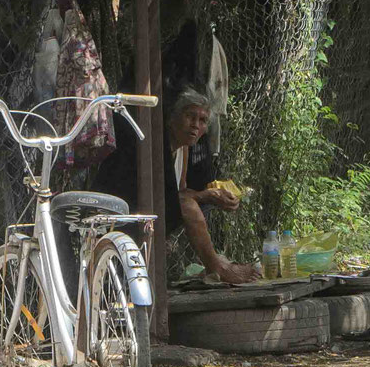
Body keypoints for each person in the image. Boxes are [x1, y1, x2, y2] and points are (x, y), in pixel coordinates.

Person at [93, 88, 260, 284]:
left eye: (203, 120)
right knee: (188, 205)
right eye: (190, 116)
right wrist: (205, 196)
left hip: (154, 211)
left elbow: (179, 192)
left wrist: (211, 195)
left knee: (188, 203)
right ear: (172, 119)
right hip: (124, 213)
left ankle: (213, 265)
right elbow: (172, 198)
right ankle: (218, 267)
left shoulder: (184, 149)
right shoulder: (157, 145)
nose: (195, 126)